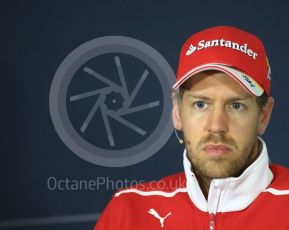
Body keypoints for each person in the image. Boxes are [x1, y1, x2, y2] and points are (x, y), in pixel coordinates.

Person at [94, 26, 289, 230]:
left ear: (263, 116)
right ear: (177, 112)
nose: (216, 126)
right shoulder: (128, 211)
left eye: (236, 106)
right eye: (201, 104)